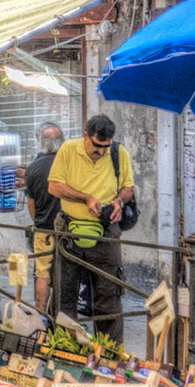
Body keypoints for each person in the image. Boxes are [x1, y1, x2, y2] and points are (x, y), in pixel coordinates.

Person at [41, 114, 134, 342]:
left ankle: (109, 352)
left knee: (109, 296)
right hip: (69, 230)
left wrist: (118, 202)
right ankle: (64, 346)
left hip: (106, 231)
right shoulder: (68, 149)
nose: (100, 151)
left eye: (105, 146)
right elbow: (54, 186)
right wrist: (86, 198)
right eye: (96, 145)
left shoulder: (118, 153)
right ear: (85, 135)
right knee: (64, 295)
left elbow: (127, 188)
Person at [22, 122, 67, 313]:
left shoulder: (32, 168)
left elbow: (30, 204)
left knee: (42, 274)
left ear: (40, 142)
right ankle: (61, 315)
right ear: (61, 141)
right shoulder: (69, 164)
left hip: (43, 230)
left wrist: (38, 222)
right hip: (68, 230)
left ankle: (40, 313)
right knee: (66, 274)